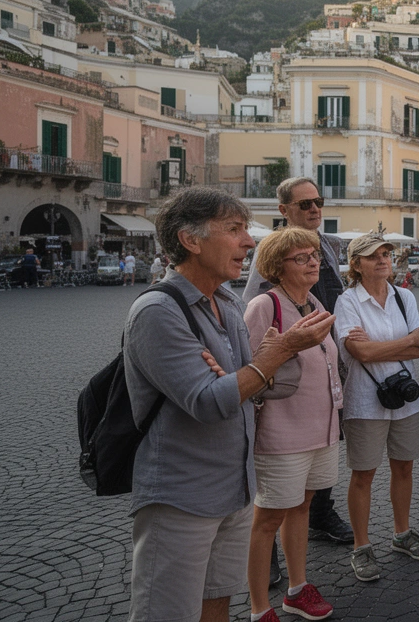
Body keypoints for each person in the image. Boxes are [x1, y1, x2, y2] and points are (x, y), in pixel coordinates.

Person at [122, 188, 333, 622]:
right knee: (168, 613)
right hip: (181, 494)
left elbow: (249, 386)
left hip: (235, 488)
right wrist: (275, 354)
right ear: (190, 240)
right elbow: (209, 400)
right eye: (234, 230)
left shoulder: (226, 304)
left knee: (217, 602)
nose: (249, 242)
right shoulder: (158, 311)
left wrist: (246, 373)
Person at [243, 177, 355, 547]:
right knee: (279, 477)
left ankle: (320, 514)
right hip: (289, 373)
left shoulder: (328, 246)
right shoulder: (274, 252)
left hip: (326, 361)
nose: (313, 208)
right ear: (284, 210)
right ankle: (269, 548)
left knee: (325, 444)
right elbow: (254, 314)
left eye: (317, 201)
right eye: (304, 203)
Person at [242, 227, 343, 621]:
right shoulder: (265, 306)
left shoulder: (314, 303)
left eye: (314, 255)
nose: (313, 262)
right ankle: (258, 607)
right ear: (276, 267)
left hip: (322, 428)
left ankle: (297, 589)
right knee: (268, 517)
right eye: (300, 258)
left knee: (302, 506)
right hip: (281, 432)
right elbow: (250, 368)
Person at [334, 233, 419, 582]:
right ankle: (362, 546)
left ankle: (401, 532)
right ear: (356, 265)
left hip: (405, 400)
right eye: (373, 255)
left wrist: (381, 347)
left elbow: (418, 347)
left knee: (404, 468)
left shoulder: (404, 297)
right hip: (364, 400)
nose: (382, 260)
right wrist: (402, 344)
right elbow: (359, 353)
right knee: (363, 475)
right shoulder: (347, 302)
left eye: (387, 254)